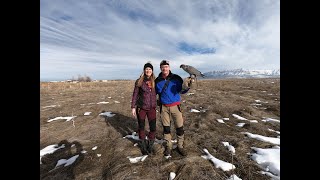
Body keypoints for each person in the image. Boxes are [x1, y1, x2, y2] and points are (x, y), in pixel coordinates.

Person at [155, 60, 192, 156]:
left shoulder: (176, 78)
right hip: (164, 108)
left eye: (166, 66)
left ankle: (180, 146)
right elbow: (153, 93)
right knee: (166, 129)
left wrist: (187, 86)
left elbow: (182, 91)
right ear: (160, 68)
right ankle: (169, 147)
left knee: (179, 127)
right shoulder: (157, 80)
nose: (165, 68)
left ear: (169, 67)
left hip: (176, 107)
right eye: (163, 67)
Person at [131, 62, 157, 155]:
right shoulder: (139, 81)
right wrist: (133, 107)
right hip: (141, 108)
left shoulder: (155, 81)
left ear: (152, 71)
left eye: (150, 69)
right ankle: (143, 146)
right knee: (141, 128)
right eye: (146, 69)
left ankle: (150, 145)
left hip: (152, 109)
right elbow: (135, 94)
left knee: (153, 128)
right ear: (144, 70)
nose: (148, 70)